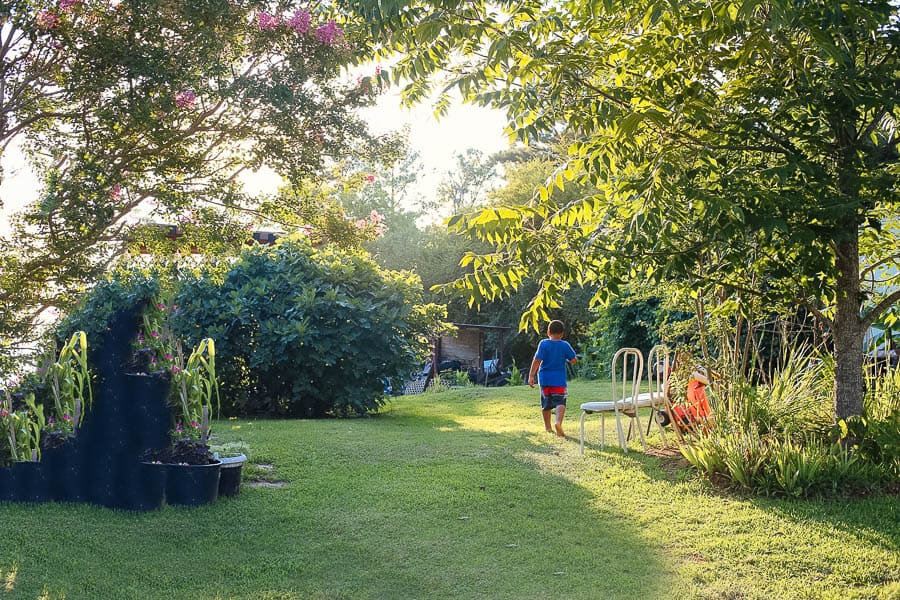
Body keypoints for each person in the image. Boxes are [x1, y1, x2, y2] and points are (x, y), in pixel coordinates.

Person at [528, 320, 577, 437]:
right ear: (562, 334)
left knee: (546, 403)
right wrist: (568, 359)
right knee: (560, 401)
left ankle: (548, 427)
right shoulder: (565, 345)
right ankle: (558, 422)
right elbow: (574, 360)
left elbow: (537, 360)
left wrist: (531, 376)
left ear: (548, 332)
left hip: (544, 379)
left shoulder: (543, 344)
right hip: (559, 380)